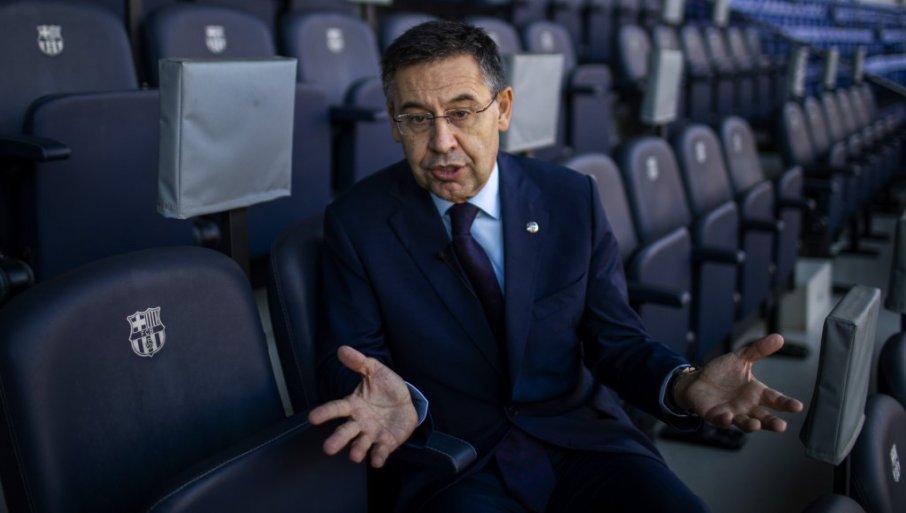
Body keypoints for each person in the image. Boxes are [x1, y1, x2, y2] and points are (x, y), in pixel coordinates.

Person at [309, 20, 803, 513]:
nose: (441, 141)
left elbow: (617, 341)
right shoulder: (357, 222)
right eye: (417, 118)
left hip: (584, 441)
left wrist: (684, 383)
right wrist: (399, 399)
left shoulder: (570, 198)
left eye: (461, 112)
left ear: (503, 109)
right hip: (455, 462)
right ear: (394, 123)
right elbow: (350, 359)